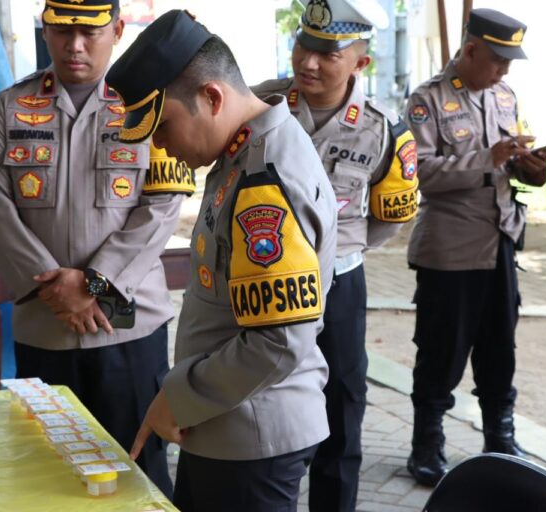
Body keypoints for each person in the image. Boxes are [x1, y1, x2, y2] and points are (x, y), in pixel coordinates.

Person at [106, 10, 338, 511]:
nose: (158, 144)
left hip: (251, 435)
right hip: (229, 423)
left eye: (162, 125)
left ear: (212, 98)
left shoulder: (264, 179)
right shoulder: (242, 152)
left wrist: (180, 395)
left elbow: (278, 340)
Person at [0, 0, 192, 497]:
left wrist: (91, 285)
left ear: (115, 29)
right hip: (45, 324)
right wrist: (56, 288)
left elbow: (161, 207)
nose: (75, 45)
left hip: (127, 327)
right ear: (45, 30)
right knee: (51, 473)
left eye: (89, 32)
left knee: (138, 469)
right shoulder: (8, 108)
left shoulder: (148, 106)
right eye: (62, 31)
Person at [252, 0, 419, 509]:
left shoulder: (384, 129)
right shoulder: (262, 105)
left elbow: (394, 213)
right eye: (304, 45)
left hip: (340, 286)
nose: (309, 62)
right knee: (258, 396)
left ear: (359, 63)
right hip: (265, 281)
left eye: (327, 52)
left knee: (342, 407)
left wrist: (342, 251)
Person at [404, 8, 546, 487]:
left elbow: (508, 163)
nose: (505, 70)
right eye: (498, 59)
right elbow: (420, 173)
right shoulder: (427, 100)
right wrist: (488, 160)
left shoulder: (504, 95)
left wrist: (527, 163)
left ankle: (499, 439)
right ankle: (426, 444)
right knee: (441, 351)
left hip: (500, 242)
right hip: (450, 250)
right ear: (470, 50)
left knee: (498, 348)